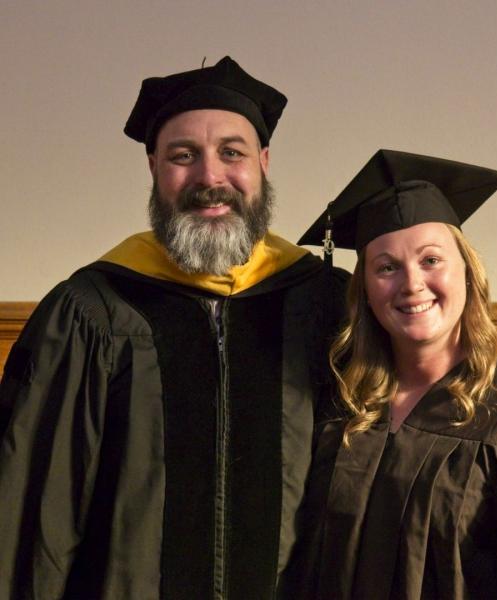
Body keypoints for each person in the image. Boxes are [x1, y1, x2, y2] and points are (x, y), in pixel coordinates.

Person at [0, 57, 347, 599]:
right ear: (154, 169)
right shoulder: (91, 311)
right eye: (184, 156)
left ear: (264, 162)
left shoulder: (326, 305)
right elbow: (34, 513)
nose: (210, 178)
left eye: (232, 153)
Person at [284, 150, 497, 599]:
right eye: (386, 267)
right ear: (366, 292)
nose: (411, 283)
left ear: (468, 273)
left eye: (431, 260)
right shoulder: (340, 411)